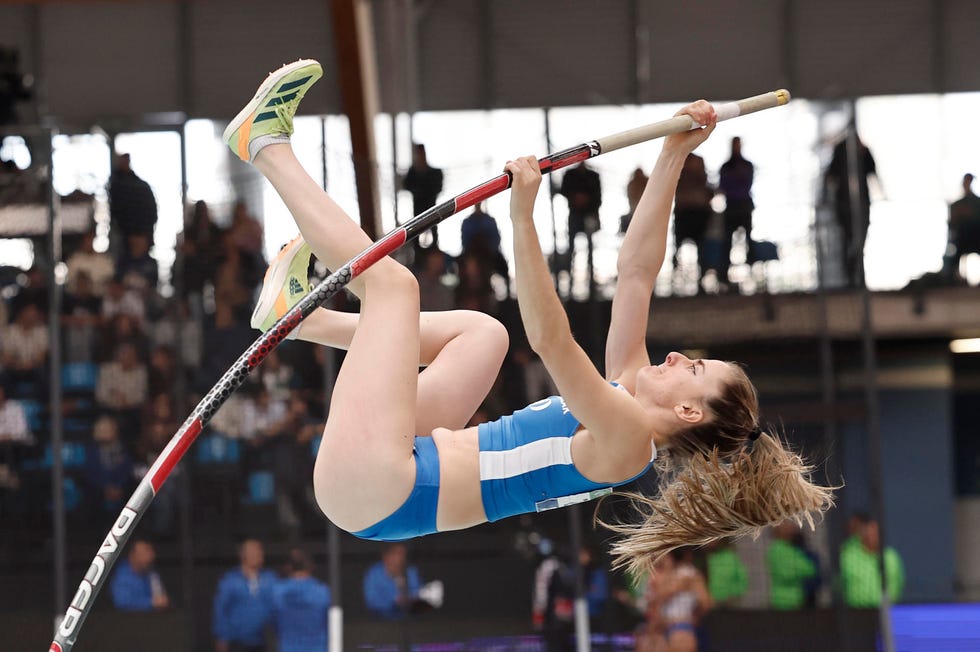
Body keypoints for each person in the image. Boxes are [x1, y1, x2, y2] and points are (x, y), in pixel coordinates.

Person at [228, 61, 832, 570]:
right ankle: (301, 319)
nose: (677, 356)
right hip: (401, 465)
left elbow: (548, 338)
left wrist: (523, 217)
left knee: (394, 289)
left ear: (687, 411)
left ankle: (264, 145)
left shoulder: (625, 438)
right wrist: (673, 152)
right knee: (482, 334)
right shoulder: (625, 390)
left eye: (696, 369)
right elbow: (637, 272)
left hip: (383, 487)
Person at [823, 134, 877, 288]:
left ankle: (856, 275)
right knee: (849, 241)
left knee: (856, 241)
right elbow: (831, 177)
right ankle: (852, 276)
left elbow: (872, 172)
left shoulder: (862, 152)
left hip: (858, 204)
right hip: (845, 205)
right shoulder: (840, 152)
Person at [639, 549, 711, 652]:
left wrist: (694, 617)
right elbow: (654, 602)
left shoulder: (688, 574)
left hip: (679, 627)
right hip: (659, 629)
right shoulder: (657, 574)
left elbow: (706, 603)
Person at [213, 539, 278, 652]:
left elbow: (279, 604)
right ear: (243, 555)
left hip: (265, 641)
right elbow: (221, 610)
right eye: (254, 551)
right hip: (238, 642)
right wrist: (222, 638)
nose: (259, 554)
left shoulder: (271, 578)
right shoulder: (230, 581)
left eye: (260, 551)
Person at [271, 548, 331, 652]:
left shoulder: (277, 591)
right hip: (317, 648)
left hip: (288, 647)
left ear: (288, 567)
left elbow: (272, 620)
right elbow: (329, 622)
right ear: (311, 566)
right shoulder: (322, 591)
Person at [672, 153, 714, 293]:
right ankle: (675, 281)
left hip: (697, 212)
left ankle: (698, 281)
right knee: (678, 249)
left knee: (701, 250)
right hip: (685, 212)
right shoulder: (679, 159)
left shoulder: (690, 161)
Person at [840, 517, 904, 608]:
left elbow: (897, 584)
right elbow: (840, 583)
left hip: (884, 610)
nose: (872, 536)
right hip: (855, 611)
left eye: (875, 533)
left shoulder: (890, 557)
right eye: (869, 532)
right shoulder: (849, 555)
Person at [717, 137, 754, 289]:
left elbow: (748, 183)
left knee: (749, 242)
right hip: (732, 207)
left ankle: (752, 271)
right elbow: (723, 186)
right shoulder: (726, 167)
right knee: (727, 242)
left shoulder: (746, 165)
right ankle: (724, 275)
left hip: (743, 206)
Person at [362, 542, 422, 620]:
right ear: (386, 556)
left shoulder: (411, 571)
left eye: (403, 554)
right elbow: (371, 601)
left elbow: (419, 595)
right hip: (379, 620)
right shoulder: (374, 573)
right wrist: (393, 602)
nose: (401, 558)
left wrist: (408, 599)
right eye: (397, 553)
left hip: (408, 619)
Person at [766, 520, 817, 610]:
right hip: (782, 602)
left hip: (797, 599)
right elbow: (785, 573)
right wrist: (799, 570)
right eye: (785, 526)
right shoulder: (777, 549)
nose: (790, 528)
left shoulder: (792, 548)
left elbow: (810, 568)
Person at [109, 539, 169, 612]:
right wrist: (151, 603)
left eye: (150, 551)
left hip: (153, 619)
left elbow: (161, 598)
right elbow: (121, 602)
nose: (150, 556)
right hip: (124, 620)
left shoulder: (152, 574)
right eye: (145, 552)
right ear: (132, 555)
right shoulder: (122, 574)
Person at [403, 143, 444, 246]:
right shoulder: (412, 173)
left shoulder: (434, 173)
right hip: (418, 211)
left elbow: (438, 187)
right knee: (415, 235)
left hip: (432, 209)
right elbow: (407, 185)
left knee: (434, 234)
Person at [946, 173, 980, 282]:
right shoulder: (957, 205)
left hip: (977, 239)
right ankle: (953, 279)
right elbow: (951, 225)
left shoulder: (977, 203)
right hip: (962, 241)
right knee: (952, 255)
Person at [704, 539, 747, 606]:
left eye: (713, 539)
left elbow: (742, 579)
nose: (711, 541)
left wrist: (735, 596)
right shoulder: (702, 558)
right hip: (706, 604)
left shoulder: (730, 557)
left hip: (728, 603)